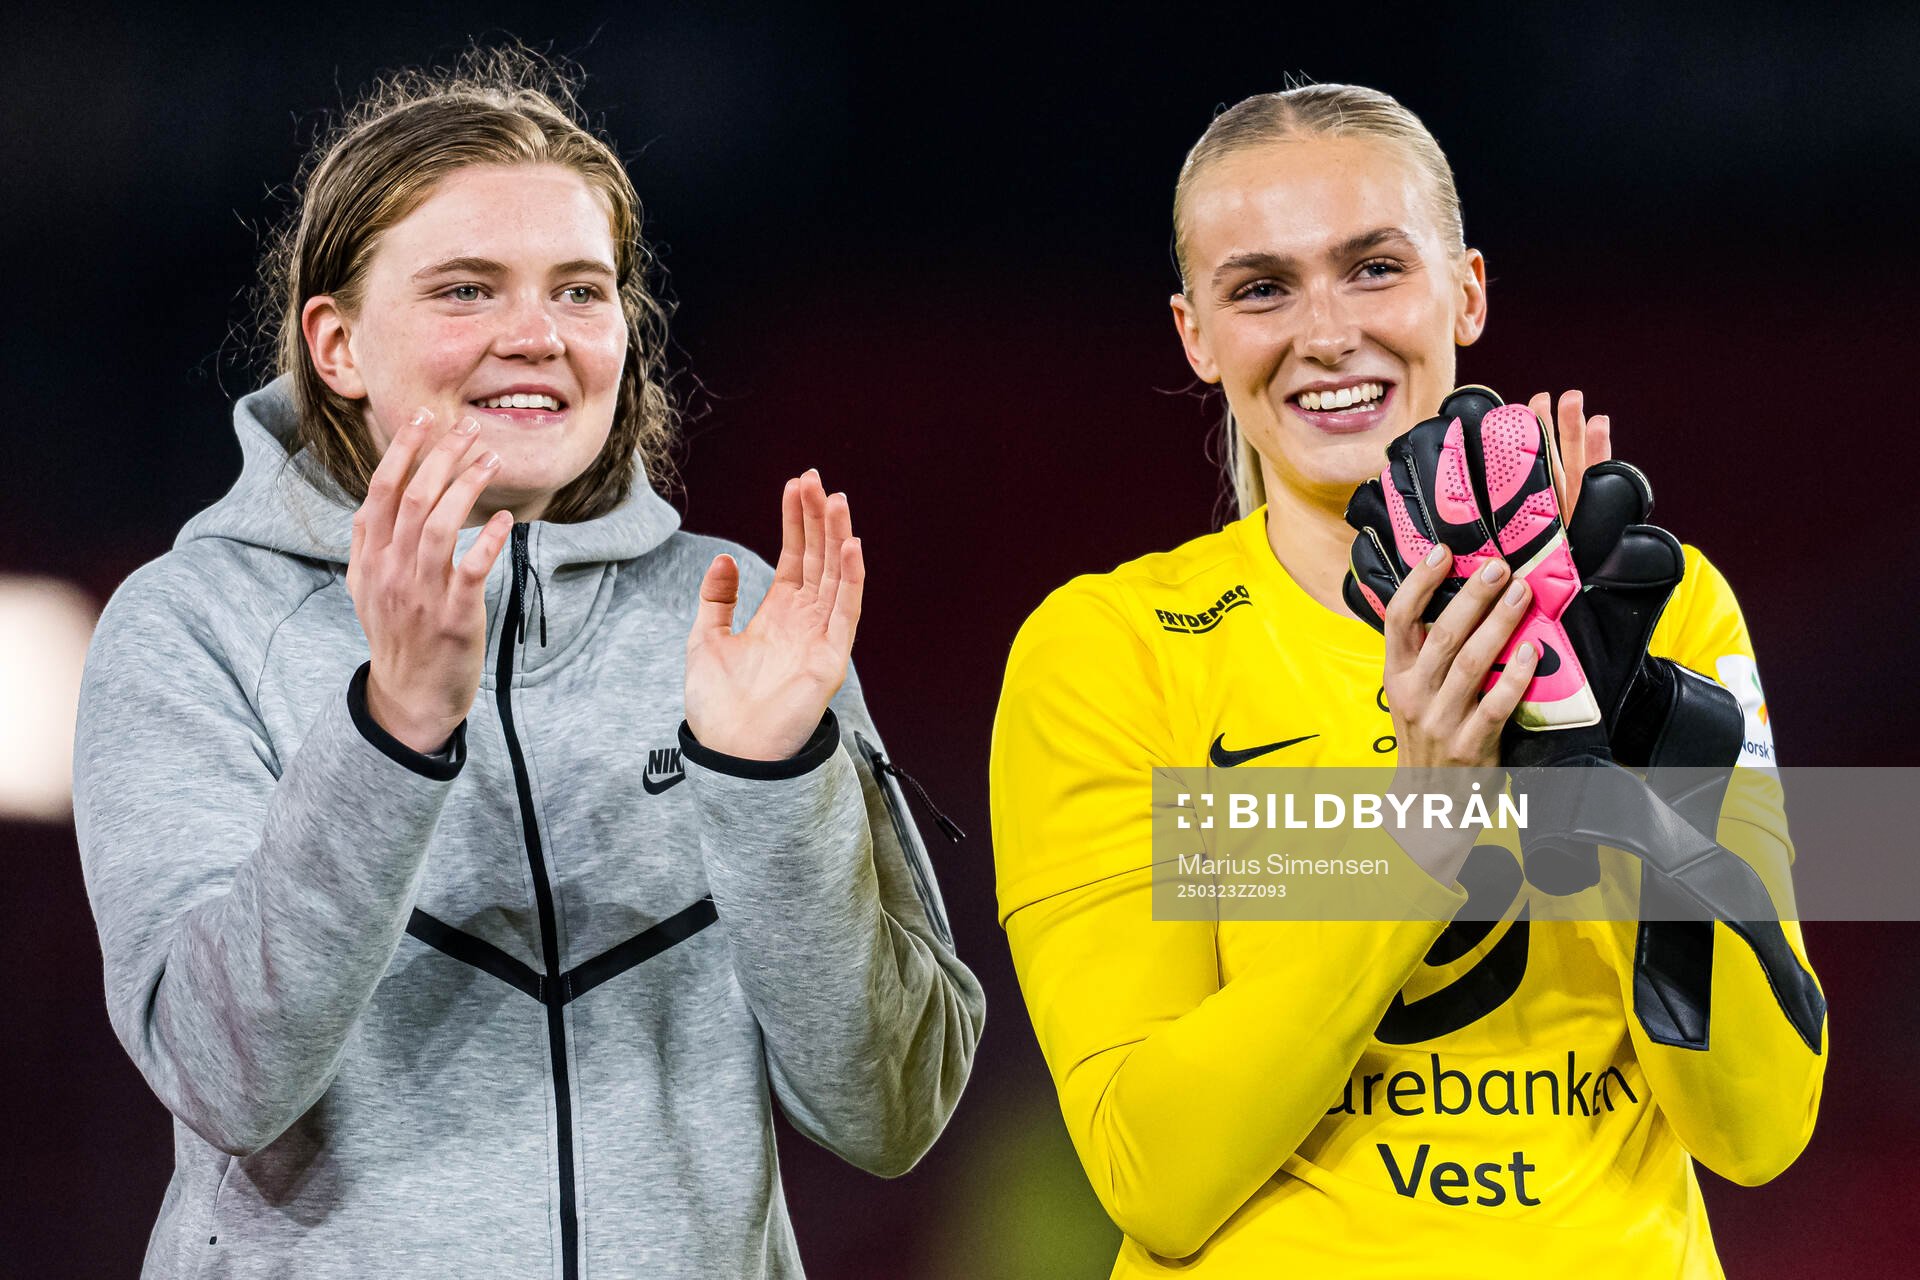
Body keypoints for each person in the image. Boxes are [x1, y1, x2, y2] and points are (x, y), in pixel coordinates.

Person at [73, 48, 983, 1280]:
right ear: (337, 345)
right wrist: (391, 729)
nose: (537, 336)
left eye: (580, 291)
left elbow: (893, 1109)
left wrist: (774, 781)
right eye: (466, 289)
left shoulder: (734, 612)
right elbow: (225, 1076)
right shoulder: (194, 625)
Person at [990, 84, 1823, 1278]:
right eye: (1262, 287)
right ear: (1195, 334)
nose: (1327, 331)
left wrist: (1607, 777)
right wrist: (1421, 834)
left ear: (1467, 291)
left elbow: (1761, 1124)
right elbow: (1154, 1174)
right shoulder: (1111, 649)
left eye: (1374, 267)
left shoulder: (1665, 611)